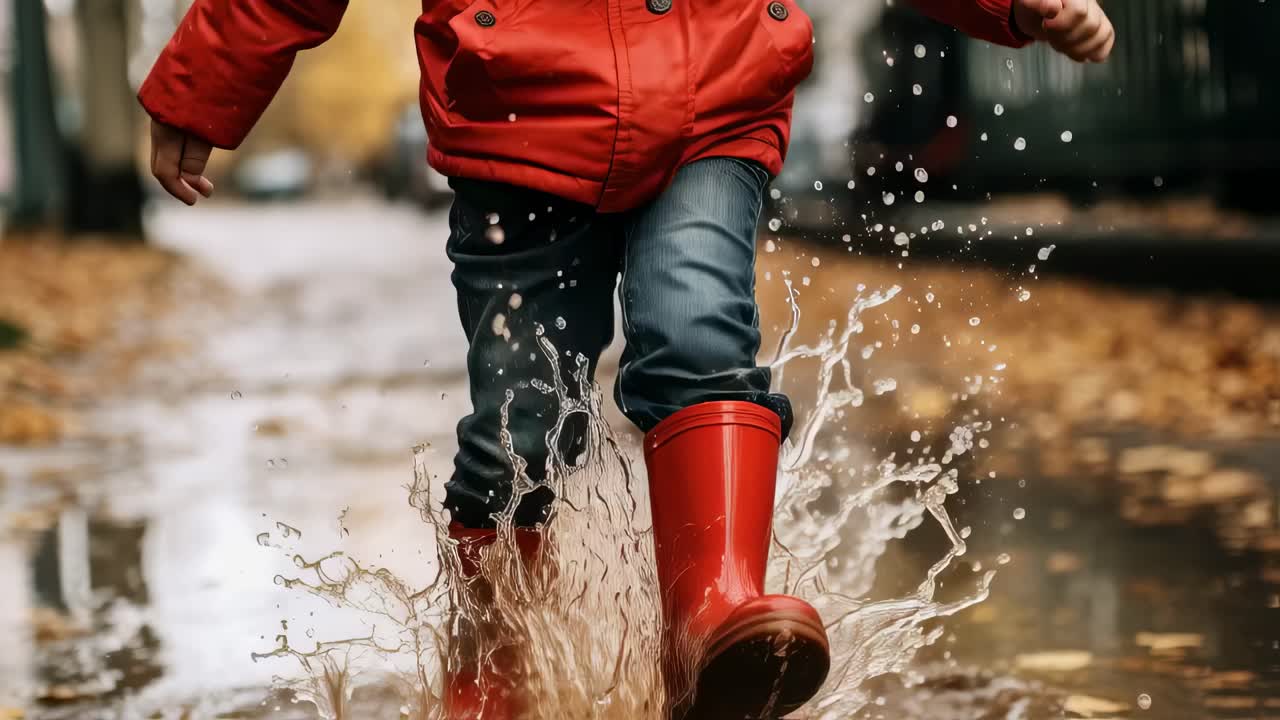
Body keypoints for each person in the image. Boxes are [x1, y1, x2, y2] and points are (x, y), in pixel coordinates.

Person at [141, 0, 1113, 717]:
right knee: (521, 429)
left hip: (715, 104)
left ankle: (709, 620)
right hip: (517, 120)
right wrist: (205, 82)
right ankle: (491, 665)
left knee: (698, 335)